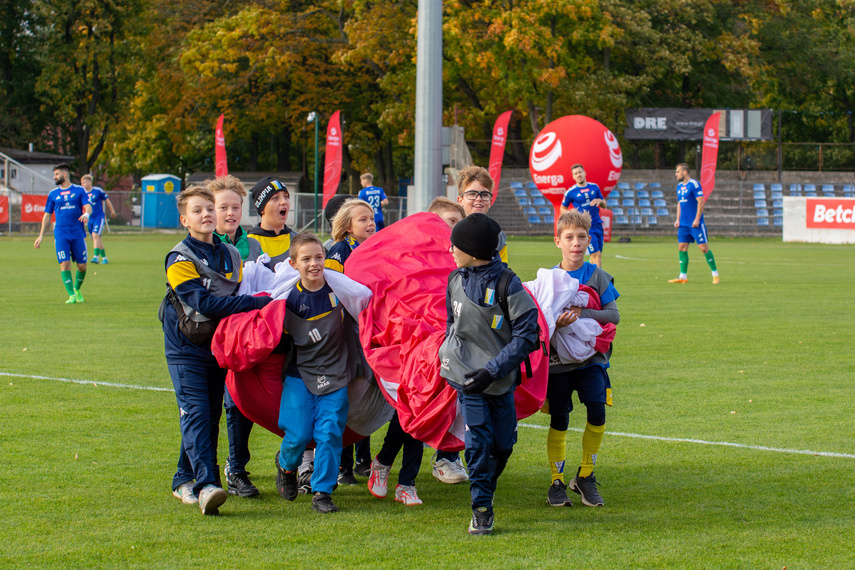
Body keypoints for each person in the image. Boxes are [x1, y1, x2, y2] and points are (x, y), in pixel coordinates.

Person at [160, 186, 272, 515]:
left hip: (217, 346)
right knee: (196, 412)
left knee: (207, 415)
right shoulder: (178, 257)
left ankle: (183, 478)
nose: (207, 214)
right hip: (184, 347)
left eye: (210, 208)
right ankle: (207, 485)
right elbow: (204, 303)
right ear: (185, 220)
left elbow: (236, 291)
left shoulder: (232, 255)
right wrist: (254, 302)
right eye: (197, 210)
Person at [438, 213, 539, 535]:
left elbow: (528, 336)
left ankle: (484, 485)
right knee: (478, 444)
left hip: (500, 381)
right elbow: (451, 323)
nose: (451, 248)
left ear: (475, 249)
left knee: (504, 445)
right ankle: (482, 508)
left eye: (457, 244)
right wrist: (450, 353)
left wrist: (492, 370)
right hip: (469, 381)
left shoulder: (509, 284)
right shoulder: (455, 279)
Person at [274, 233, 358, 514]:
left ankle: (322, 491)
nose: (314, 264)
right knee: (297, 435)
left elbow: (365, 304)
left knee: (330, 433)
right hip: (299, 375)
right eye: (306, 259)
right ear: (293, 263)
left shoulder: (341, 290)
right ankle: (286, 466)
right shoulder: (287, 299)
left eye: (319, 257)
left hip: (336, 375)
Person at [545, 210, 620, 508]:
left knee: (597, 410)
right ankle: (557, 481)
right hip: (559, 364)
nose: (575, 243)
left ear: (589, 241)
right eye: (569, 237)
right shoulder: (550, 279)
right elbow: (539, 320)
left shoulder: (598, 276)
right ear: (558, 242)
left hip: (592, 360)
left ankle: (585, 476)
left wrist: (581, 314)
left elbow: (613, 315)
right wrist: (557, 323)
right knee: (560, 418)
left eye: (581, 237)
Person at [209, 175, 262, 498]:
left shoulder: (251, 244)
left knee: (243, 402)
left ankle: (236, 466)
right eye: (223, 207)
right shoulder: (203, 244)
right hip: (213, 336)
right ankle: (226, 469)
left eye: (236, 207)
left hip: (246, 336)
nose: (230, 213)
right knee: (218, 406)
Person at [323, 199, 375, 485]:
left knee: (365, 392)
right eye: (363, 219)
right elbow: (333, 288)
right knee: (348, 395)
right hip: (346, 334)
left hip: (366, 332)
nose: (370, 223)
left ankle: (363, 460)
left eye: (371, 218)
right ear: (347, 227)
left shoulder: (373, 248)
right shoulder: (339, 251)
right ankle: (344, 465)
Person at [34, 164, 92, 304]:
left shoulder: (79, 190)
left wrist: (86, 214)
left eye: (56, 174)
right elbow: (47, 215)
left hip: (78, 234)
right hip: (61, 235)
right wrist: (41, 235)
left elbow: (88, 206)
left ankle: (77, 289)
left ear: (65, 174)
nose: (54, 177)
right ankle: (71, 295)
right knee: (65, 264)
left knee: (82, 266)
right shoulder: (53, 194)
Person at [669, 163, 720, 284]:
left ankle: (715, 274)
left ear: (685, 172)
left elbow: (701, 202)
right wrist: (677, 219)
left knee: (703, 248)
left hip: (695, 224)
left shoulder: (694, 184)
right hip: (683, 224)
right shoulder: (679, 187)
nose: (676, 174)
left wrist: (697, 219)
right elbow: (679, 204)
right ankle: (683, 276)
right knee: (682, 247)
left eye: (678, 171)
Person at [559, 164, 607, 268]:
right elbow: (562, 208)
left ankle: (589, 278)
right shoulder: (570, 192)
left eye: (580, 172)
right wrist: (573, 215)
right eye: (575, 173)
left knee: (596, 256)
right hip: (586, 227)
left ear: (584, 173)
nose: (578, 175)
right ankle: (599, 282)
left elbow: (604, 204)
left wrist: (600, 201)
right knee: (596, 254)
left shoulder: (594, 187)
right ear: (573, 176)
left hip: (597, 224)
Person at [246, 177, 296, 267]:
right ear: (262, 208)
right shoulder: (250, 243)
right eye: (275, 198)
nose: (283, 202)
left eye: (286, 196)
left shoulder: (298, 240)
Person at [80, 174, 116, 264]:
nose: (82, 184)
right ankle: (104, 258)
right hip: (90, 219)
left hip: (99, 217)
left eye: (84, 182)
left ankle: (95, 257)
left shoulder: (97, 190)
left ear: (89, 182)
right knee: (97, 239)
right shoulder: (82, 193)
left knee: (95, 235)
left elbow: (107, 200)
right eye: (81, 183)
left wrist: (112, 211)